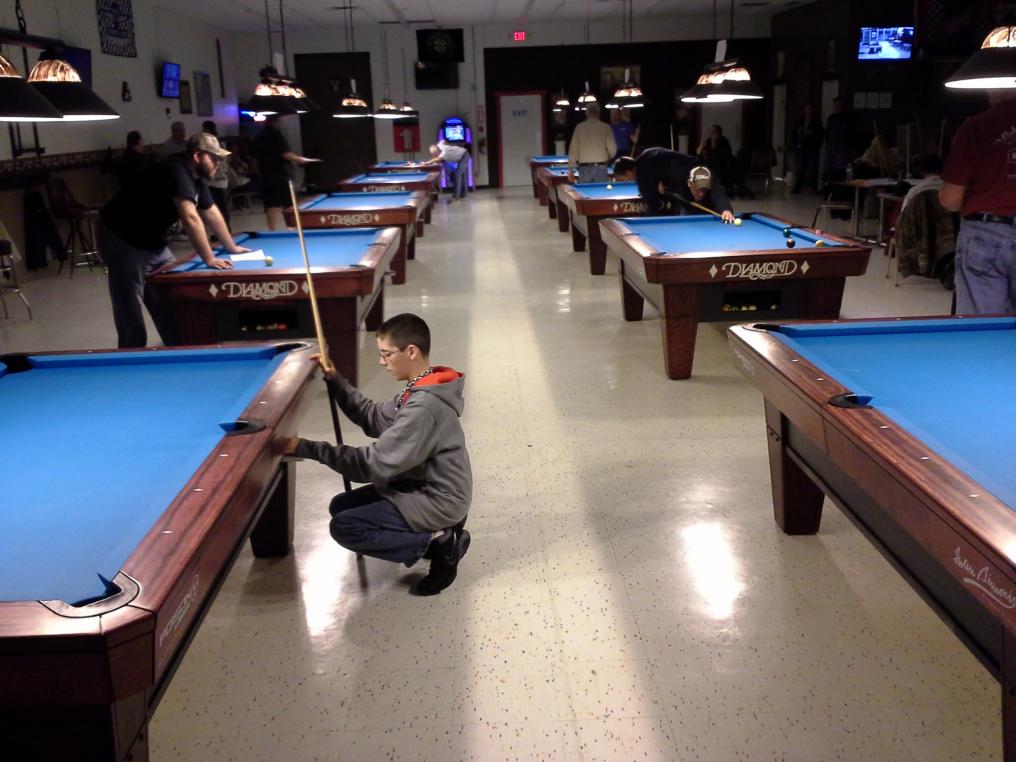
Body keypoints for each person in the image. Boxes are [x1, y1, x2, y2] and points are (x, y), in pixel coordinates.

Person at [286, 313, 472, 596]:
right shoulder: (421, 387)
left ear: (411, 351)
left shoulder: (425, 407)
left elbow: (371, 465)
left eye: (386, 354)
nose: (381, 362)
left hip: (440, 498)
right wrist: (335, 380)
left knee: (346, 526)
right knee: (341, 506)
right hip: (420, 485)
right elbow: (372, 417)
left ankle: (440, 543)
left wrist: (305, 448)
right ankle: (437, 533)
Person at [97, 133, 248, 348]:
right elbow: (190, 217)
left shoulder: (197, 176)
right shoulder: (176, 169)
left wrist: (231, 247)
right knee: (130, 304)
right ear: (197, 156)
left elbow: (211, 212)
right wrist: (209, 258)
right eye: (214, 158)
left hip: (152, 240)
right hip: (122, 237)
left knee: (169, 291)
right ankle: (132, 353)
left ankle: (177, 345)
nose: (218, 162)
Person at [939, 91, 1016, 315]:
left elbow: (950, 200)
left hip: (985, 232)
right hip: (986, 232)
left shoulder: (976, 127)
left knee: (982, 322)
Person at [615, 148, 734, 222]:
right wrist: (665, 186)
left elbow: (717, 190)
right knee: (690, 208)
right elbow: (653, 199)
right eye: (698, 190)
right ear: (689, 183)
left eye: (703, 189)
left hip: (679, 170)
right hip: (677, 174)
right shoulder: (675, 175)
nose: (701, 193)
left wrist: (726, 209)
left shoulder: (706, 173)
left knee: (703, 208)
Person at [252, 114, 316, 230]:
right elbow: (285, 154)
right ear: (276, 120)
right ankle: (291, 228)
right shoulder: (277, 134)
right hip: (281, 175)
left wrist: (259, 173)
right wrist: (300, 159)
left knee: (271, 204)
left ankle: (272, 230)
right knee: (289, 204)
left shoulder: (259, 136)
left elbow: (254, 159)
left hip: (266, 176)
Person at [567, 103, 616, 184]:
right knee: (600, 192)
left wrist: (570, 170)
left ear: (586, 113)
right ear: (599, 113)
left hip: (584, 168)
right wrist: (607, 156)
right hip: (601, 167)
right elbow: (613, 150)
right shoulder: (606, 127)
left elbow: (573, 151)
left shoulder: (579, 127)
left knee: (585, 192)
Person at [201, 121, 232, 225]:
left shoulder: (217, 145)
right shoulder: (209, 145)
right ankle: (222, 229)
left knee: (222, 208)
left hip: (219, 180)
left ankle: (226, 229)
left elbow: (223, 162)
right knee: (217, 208)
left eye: (204, 130)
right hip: (213, 180)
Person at [791, 105, 823, 193]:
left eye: (810, 110)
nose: (808, 112)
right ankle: (798, 186)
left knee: (812, 168)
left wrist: (816, 145)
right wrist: (795, 144)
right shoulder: (799, 121)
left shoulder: (816, 122)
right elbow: (794, 132)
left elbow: (820, 135)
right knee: (799, 168)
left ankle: (812, 186)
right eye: (807, 110)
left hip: (811, 149)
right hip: (800, 148)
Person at [697, 125, 734, 195]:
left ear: (718, 133)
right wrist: (702, 146)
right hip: (711, 163)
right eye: (711, 132)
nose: (711, 134)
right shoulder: (709, 140)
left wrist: (713, 145)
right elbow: (700, 153)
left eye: (713, 132)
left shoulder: (723, 141)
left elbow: (720, 155)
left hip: (722, 165)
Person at [822, 97, 852, 183]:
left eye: (838, 104)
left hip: (842, 146)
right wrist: (827, 141)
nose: (836, 106)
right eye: (835, 105)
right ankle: (826, 184)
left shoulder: (847, 118)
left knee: (839, 167)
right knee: (827, 167)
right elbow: (827, 131)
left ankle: (837, 185)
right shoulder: (831, 117)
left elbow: (850, 133)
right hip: (831, 145)